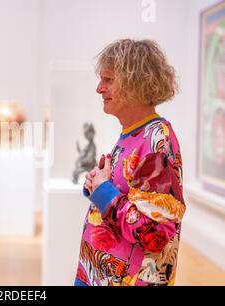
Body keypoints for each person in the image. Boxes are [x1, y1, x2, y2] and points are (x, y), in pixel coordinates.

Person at [74, 39, 185, 286]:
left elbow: (155, 235)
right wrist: (98, 184)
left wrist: (104, 192)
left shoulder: (157, 141)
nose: (99, 88)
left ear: (136, 83)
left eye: (108, 80)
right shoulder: (135, 133)